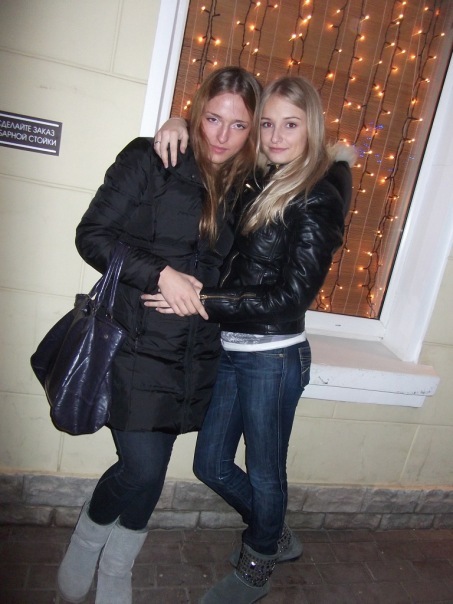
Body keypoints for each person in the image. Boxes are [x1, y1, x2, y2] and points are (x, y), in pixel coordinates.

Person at [56, 66, 261, 604]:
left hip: (195, 354)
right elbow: (92, 235)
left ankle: (118, 564)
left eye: (238, 125)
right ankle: (88, 541)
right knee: (141, 468)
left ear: (252, 130)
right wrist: (160, 275)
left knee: (152, 471)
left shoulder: (246, 188)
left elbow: (245, 274)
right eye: (211, 119)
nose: (221, 136)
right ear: (195, 113)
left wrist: (208, 299)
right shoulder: (153, 158)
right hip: (134, 343)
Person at [148, 75, 355, 603]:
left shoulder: (316, 197)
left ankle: (258, 565)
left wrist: (204, 300)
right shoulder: (260, 179)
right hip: (235, 349)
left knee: (265, 472)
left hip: (274, 358)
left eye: (291, 125)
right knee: (211, 464)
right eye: (267, 124)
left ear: (311, 129)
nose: (277, 136)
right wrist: (179, 123)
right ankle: (274, 531)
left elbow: (290, 297)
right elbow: (215, 151)